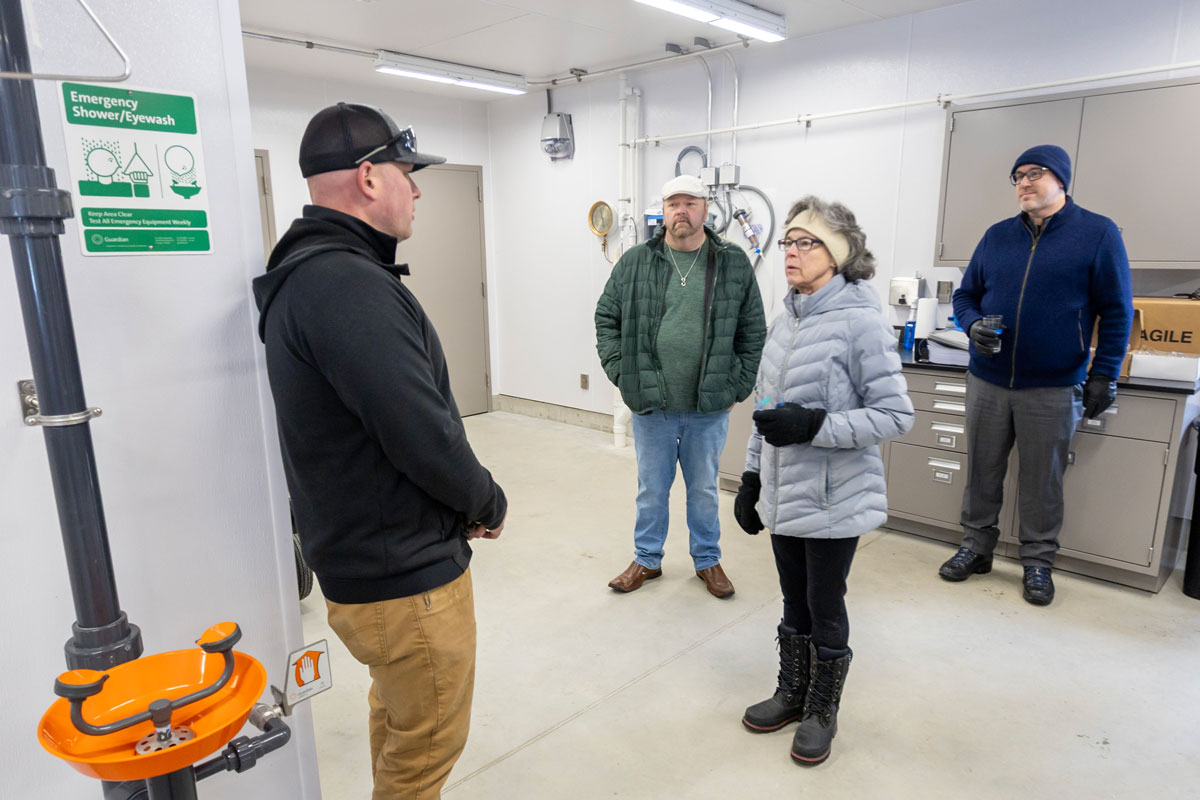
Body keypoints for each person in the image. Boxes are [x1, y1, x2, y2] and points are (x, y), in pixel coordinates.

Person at [253, 102, 507, 799]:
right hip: (405, 579)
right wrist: (486, 499)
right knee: (426, 749)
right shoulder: (345, 285)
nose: (417, 190)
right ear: (368, 179)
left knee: (399, 722)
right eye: (407, 173)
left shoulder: (310, 274)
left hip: (370, 564)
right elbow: (421, 432)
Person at [734, 196, 912, 766]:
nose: (790, 252)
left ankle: (821, 711)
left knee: (824, 602)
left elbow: (895, 416)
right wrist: (752, 475)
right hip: (785, 494)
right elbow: (766, 406)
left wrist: (816, 426)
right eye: (786, 242)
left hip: (835, 498)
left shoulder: (862, 321)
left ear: (836, 255)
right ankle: (791, 693)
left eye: (804, 242)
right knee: (793, 602)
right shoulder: (786, 320)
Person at [940, 144, 1133, 606]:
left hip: (1053, 383)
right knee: (982, 470)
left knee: (1042, 479)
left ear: (1061, 180)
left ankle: (1038, 563)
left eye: (1034, 173)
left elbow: (1117, 311)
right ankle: (976, 547)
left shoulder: (1098, 234)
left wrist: (1103, 374)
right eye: (1018, 176)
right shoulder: (997, 236)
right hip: (988, 378)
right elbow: (965, 297)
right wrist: (972, 326)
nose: (1024, 182)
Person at [595, 174, 765, 597]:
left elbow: (753, 330)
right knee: (651, 489)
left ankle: (707, 560)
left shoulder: (732, 263)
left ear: (706, 210)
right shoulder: (635, 261)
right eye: (674, 204)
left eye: (690, 203)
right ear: (664, 211)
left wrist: (736, 387)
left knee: (705, 490)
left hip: (708, 407)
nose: (681, 212)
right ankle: (647, 560)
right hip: (652, 403)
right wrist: (621, 371)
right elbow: (606, 318)